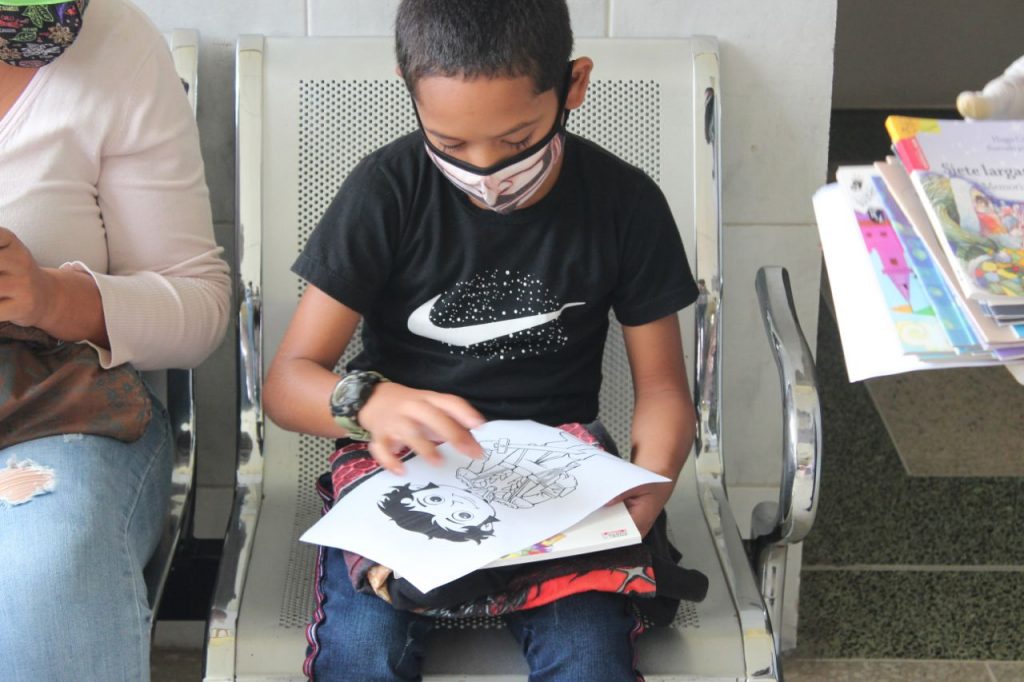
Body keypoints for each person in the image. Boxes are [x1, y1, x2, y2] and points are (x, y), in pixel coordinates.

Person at [263, 0, 698, 679]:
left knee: (589, 659)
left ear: (574, 85)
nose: (486, 171)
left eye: (518, 140)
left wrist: (654, 483)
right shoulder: (387, 191)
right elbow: (288, 383)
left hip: (559, 473)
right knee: (361, 654)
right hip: (403, 465)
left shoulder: (624, 202)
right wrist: (370, 403)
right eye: (451, 143)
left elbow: (664, 388)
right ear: (410, 92)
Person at [0, 0, 230, 680]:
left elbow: (199, 310)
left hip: (52, 412)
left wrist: (50, 297)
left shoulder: (109, 41)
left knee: (48, 573)